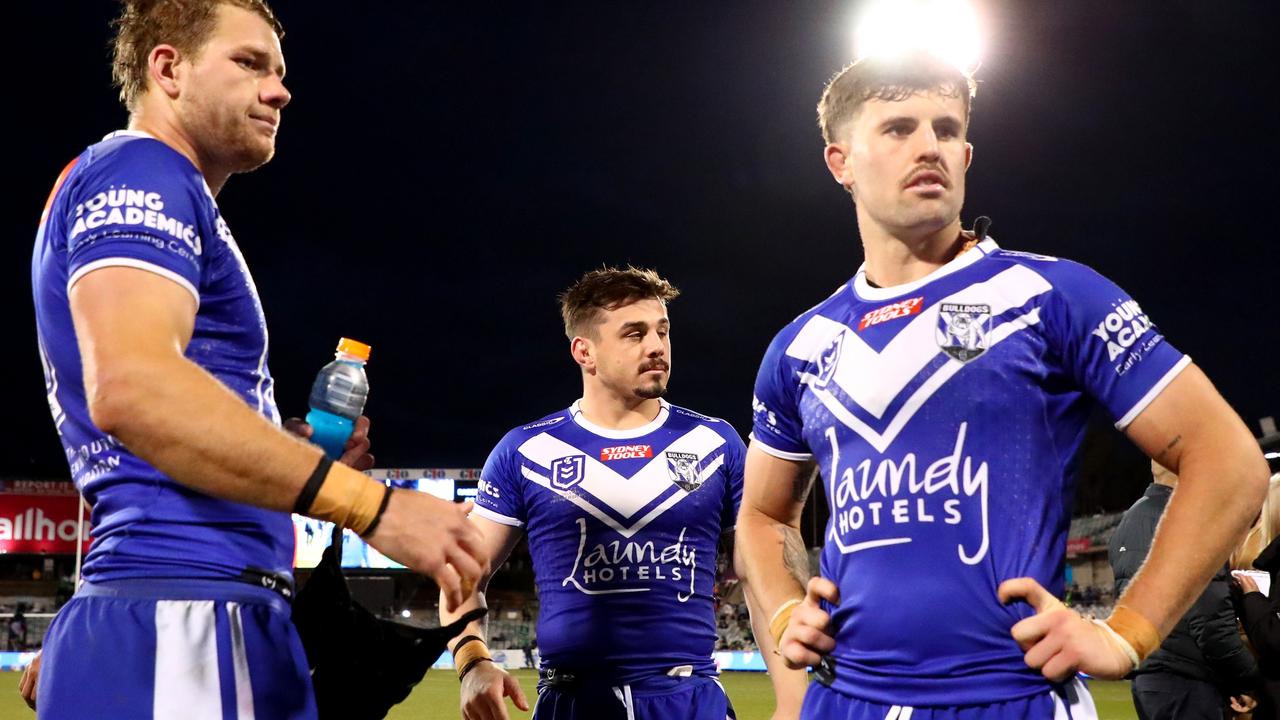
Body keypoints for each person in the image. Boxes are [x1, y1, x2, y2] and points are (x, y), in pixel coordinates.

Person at [733, 50, 1270, 719]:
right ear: (840, 162)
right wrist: (785, 609)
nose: (929, 146)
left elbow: (1229, 461)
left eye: (947, 129)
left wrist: (1128, 635)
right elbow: (761, 515)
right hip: (843, 702)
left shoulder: (1053, 295)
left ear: (966, 156)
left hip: (1011, 699)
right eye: (898, 128)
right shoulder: (799, 347)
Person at [29, 1, 485, 717]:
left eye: (280, 71)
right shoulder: (143, 169)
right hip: (181, 615)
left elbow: (145, 422)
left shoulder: (156, 190)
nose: (279, 90)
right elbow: (133, 388)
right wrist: (372, 507)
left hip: (186, 609)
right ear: (168, 68)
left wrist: (295, 455)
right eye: (249, 63)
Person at [440, 267, 808, 720]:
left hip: (691, 701)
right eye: (634, 334)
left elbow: (761, 574)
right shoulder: (527, 450)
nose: (656, 346)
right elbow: (462, 575)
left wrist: (794, 701)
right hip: (572, 703)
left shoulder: (715, 443)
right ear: (584, 352)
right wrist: (473, 662)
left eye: (662, 331)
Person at [1111, 461, 1259, 718]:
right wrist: (1248, 679)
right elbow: (1211, 623)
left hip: (1148, 679)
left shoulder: (1129, 520)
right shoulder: (1195, 520)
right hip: (1189, 681)